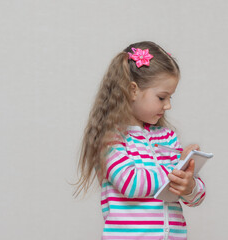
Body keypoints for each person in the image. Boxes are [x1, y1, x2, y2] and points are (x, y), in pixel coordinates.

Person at [75, 41, 206, 240]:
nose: (168, 105)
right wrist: (176, 172)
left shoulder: (167, 137)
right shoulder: (111, 140)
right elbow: (130, 182)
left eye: (171, 97)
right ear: (133, 90)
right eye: (162, 98)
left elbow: (197, 197)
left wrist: (189, 187)